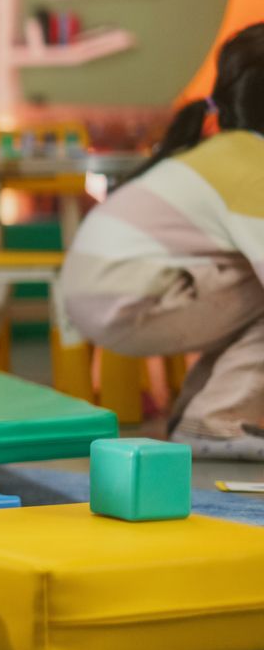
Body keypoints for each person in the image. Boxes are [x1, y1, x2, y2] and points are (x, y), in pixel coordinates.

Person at [61, 24, 264, 459]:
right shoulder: (253, 165)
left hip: (100, 291)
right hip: (127, 294)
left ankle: (199, 414)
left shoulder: (229, 150)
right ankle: (215, 422)